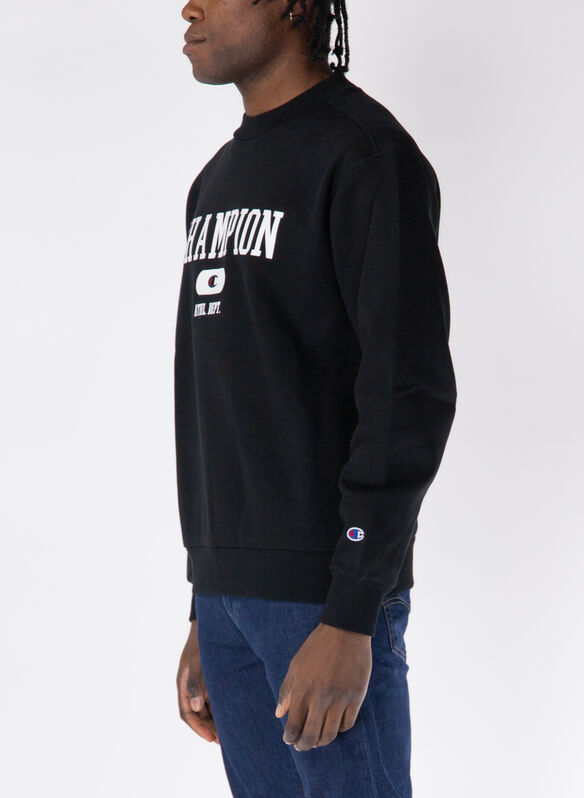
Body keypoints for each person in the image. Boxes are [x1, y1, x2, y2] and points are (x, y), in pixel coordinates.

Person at [174, 1, 457, 795]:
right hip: (230, 601)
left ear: (294, 4)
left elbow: (408, 393)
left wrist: (352, 611)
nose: (188, 6)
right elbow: (226, 394)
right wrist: (207, 601)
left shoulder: (366, 157)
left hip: (324, 600)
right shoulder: (214, 182)